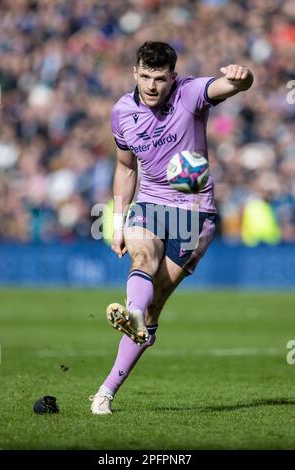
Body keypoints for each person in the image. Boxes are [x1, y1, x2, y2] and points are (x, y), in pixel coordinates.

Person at [89, 41, 254, 414]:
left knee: (154, 307)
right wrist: (117, 221)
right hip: (149, 202)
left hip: (195, 213)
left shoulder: (190, 94)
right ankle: (128, 323)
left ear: (173, 77)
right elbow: (126, 167)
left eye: (159, 79)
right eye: (145, 76)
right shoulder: (122, 111)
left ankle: (108, 386)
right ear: (135, 73)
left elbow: (227, 87)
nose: (151, 86)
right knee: (142, 256)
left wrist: (244, 79)